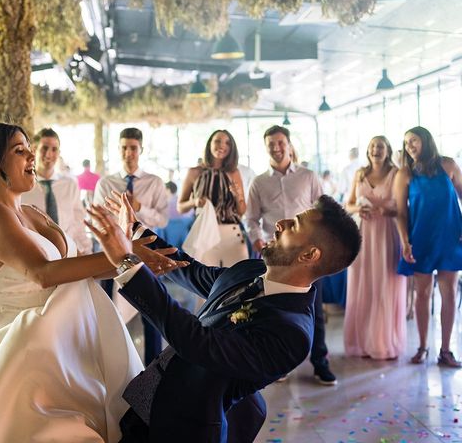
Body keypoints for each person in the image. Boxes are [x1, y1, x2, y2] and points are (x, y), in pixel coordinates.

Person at [0, 123, 179, 442]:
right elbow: (43, 273)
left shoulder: (30, 212)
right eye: (20, 150)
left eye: (30, 147)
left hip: (66, 346)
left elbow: (75, 268)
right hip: (21, 351)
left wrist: (133, 260)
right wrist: (123, 254)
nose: (32, 155)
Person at [88, 193, 361, 442]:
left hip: (184, 427)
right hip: (149, 396)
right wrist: (136, 230)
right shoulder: (253, 269)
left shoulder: (292, 333)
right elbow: (189, 270)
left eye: (295, 225)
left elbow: (199, 343)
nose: (281, 223)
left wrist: (127, 262)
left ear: (310, 254)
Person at [246, 125, 336, 385]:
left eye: (280, 142)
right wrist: (257, 240)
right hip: (276, 255)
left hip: (308, 253)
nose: (276, 147)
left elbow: (324, 211)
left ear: (289, 144)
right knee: (275, 310)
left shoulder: (308, 176)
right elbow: (251, 218)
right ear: (266, 147)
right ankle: (279, 363)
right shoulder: (258, 182)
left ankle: (320, 362)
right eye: (271, 143)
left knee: (314, 309)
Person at [94, 127, 168, 365]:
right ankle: (112, 367)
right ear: (118, 149)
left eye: (133, 148)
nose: (129, 153)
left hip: (147, 254)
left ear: (141, 149)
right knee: (111, 314)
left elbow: (162, 219)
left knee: (152, 315)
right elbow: (100, 218)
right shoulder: (106, 184)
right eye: (124, 147)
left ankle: (154, 373)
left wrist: (139, 208)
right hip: (114, 256)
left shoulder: (154, 183)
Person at [394, 126, 462, 367]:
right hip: (420, 239)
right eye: (406, 142)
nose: (410, 145)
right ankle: (422, 347)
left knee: (449, 293)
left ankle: (446, 350)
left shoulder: (449, 165)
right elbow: (401, 212)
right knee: (422, 294)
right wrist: (405, 240)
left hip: (450, 238)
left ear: (425, 140)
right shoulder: (405, 173)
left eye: (413, 140)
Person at [344, 136, 405, 359]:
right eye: (371, 146)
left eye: (380, 146)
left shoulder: (396, 174)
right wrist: (357, 210)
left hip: (386, 234)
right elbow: (347, 204)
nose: (375, 150)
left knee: (384, 286)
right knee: (362, 286)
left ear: (387, 150)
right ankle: (361, 342)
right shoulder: (359, 173)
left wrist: (384, 211)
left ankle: (382, 342)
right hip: (362, 235)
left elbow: (401, 208)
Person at [178, 129, 248, 266]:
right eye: (217, 141)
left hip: (231, 234)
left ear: (231, 148)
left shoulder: (234, 173)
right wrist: (194, 202)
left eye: (227, 143)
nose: (222, 146)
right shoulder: (194, 172)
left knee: (239, 281)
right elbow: (181, 207)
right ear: (210, 144)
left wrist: (237, 195)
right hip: (205, 234)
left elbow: (241, 210)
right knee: (207, 283)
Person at [22, 128, 92, 254]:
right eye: (44, 148)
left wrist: (86, 251)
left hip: (70, 253)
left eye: (54, 149)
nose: (49, 154)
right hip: (37, 254)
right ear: (34, 149)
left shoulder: (70, 184)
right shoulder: (22, 187)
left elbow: (78, 223)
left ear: (59, 152)